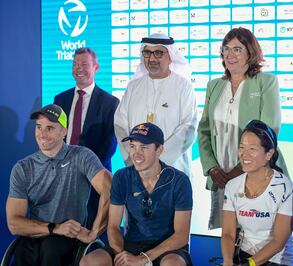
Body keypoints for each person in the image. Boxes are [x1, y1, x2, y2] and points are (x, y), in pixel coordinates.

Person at [198, 27, 288, 229]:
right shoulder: (214, 86)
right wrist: (212, 168)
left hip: (257, 173)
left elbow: (269, 130)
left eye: (237, 49)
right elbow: (204, 131)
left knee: (260, 234)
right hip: (221, 176)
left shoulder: (265, 82)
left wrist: (242, 168)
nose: (230, 55)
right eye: (226, 49)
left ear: (250, 52)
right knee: (230, 236)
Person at [6, 104, 112, 266]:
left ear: (64, 131)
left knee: (51, 248)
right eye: (39, 127)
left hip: (68, 239)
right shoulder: (23, 168)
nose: (42, 134)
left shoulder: (81, 156)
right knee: (23, 249)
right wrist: (54, 228)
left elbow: (110, 189)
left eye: (50, 128)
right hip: (37, 235)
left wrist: (93, 233)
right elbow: (14, 224)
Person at [80, 122, 193, 266]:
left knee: (172, 264)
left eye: (144, 147)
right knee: (90, 262)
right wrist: (122, 255)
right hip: (131, 244)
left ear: (159, 150)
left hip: (167, 249)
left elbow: (181, 235)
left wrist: (143, 258)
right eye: (133, 146)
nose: (136, 153)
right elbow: (113, 226)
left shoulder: (179, 180)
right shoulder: (121, 177)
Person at [114, 33, 197, 178]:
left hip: (173, 172)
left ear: (170, 56)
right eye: (147, 53)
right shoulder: (133, 87)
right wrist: (135, 159)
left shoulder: (183, 87)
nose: (152, 59)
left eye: (158, 53)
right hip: (137, 171)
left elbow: (188, 129)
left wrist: (157, 163)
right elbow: (120, 125)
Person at [54, 47, 119, 232]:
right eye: (75, 64)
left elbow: (110, 144)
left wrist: (85, 168)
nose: (78, 68)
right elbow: (56, 136)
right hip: (63, 176)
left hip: (95, 176)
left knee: (92, 230)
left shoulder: (110, 102)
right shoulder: (60, 99)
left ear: (96, 68)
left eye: (84, 64)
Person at [222, 120, 293, 266]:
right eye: (241, 147)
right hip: (244, 255)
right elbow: (228, 233)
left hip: (277, 260)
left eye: (252, 149)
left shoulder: (285, 188)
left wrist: (249, 264)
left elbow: (278, 241)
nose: (244, 154)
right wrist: (227, 262)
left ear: (269, 154)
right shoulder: (232, 186)